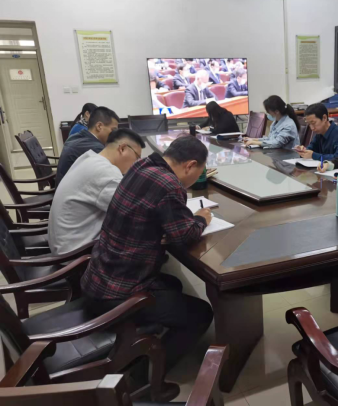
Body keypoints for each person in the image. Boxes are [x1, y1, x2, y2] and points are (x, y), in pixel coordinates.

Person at [81, 135, 214, 372]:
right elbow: (185, 235)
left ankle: (148, 338)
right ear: (190, 165)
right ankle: (146, 375)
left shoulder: (142, 166)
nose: (196, 179)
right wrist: (201, 219)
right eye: (199, 172)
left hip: (98, 277)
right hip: (116, 294)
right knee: (201, 313)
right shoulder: (169, 184)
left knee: (173, 284)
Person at [49, 129, 145, 255]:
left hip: (64, 243)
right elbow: (133, 213)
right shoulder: (106, 172)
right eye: (137, 157)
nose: (136, 163)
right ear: (122, 148)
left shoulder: (88, 157)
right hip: (76, 254)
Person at [56, 107, 119, 185]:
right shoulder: (95, 148)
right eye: (113, 130)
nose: (115, 134)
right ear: (99, 126)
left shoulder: (77, 136)